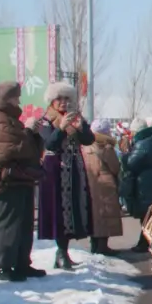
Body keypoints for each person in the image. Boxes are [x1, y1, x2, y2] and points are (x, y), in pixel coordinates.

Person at [0, 82, 45, 281]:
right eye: (16, 97)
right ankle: (3, 266)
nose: (19, 101)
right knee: (9, 224)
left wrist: (32, 134)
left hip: (18, 177)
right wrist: (28, 132)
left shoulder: (7, 118)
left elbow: (25, 147)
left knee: (24, 223)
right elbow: (12, 146)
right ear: (7, 98)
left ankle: (22, 263)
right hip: (5, 178)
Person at [38, 81, 95, 270]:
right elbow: (49, 143)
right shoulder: (46, 120)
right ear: (52, 101)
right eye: (59, 99)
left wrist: (81, 128)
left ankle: (64, 251)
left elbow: (89, 140)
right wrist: (61, 128)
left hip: (74, 168)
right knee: (59, 211)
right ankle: (60, 252)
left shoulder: (75, 117)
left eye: (67, 98)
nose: (63, 102)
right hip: (55, 169)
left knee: (74, 210)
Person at [121, 118, 152, 252]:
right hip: (150, 182)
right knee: (148, 215)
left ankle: (145, 243)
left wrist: (124, 156)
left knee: (146, 215)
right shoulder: (151, 141)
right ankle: (145, 242)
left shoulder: (142, 144)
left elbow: (131, 163)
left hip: (145, 184)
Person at [82, 119, 122, 255]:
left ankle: (94, 245)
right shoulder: (106, 147)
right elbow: (115, 167)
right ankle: (102, 247)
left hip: (90, 182)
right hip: (106, 184)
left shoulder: (85, 146)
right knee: (106, 215)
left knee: (94, 215)